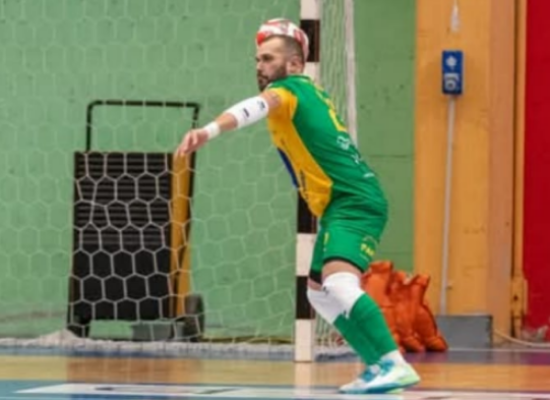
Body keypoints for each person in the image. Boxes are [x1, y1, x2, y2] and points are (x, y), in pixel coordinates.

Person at [176, 28, 420, 394]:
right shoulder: (305, 94)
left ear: (294, 64)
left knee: (338, 283)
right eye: (257, 59)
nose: (259, 66)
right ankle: (378, 367)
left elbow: (253, 107)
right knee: (319, 292)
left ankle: (394, 364)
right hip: (341, 204)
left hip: (354, 201)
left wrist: (207, 131)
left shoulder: (290, 90)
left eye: (268, 58)